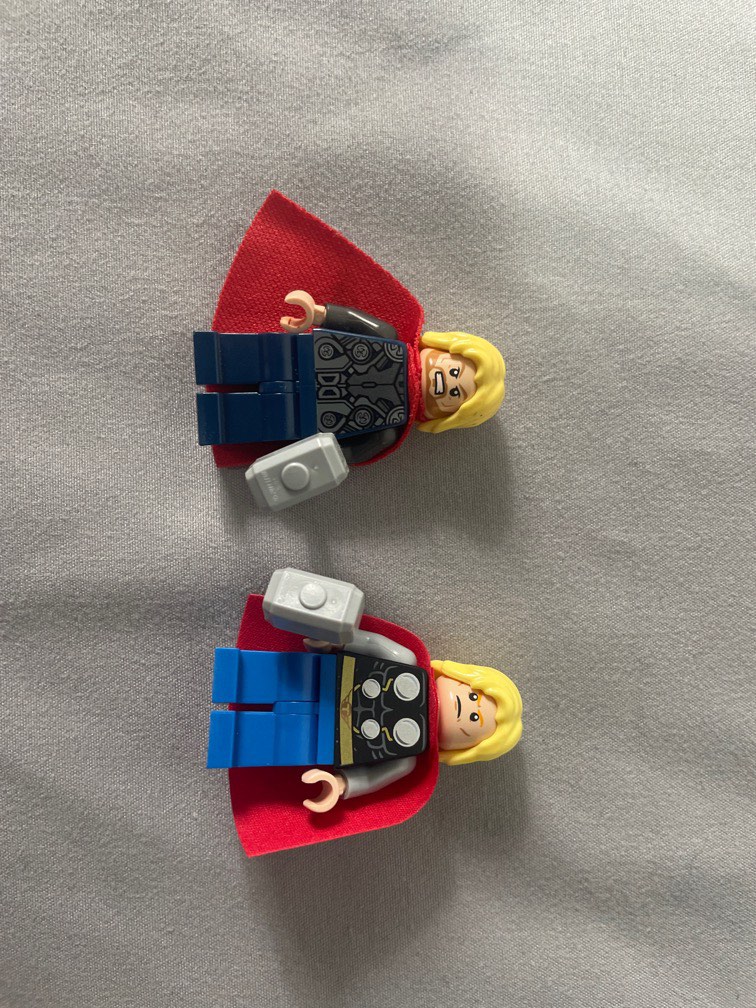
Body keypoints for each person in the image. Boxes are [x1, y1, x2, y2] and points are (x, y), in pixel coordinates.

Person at [207, 629, 522, 814]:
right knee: (262, 674)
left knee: (260, 742)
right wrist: (337, 641)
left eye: (475, 720)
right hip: (318, 677)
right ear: (460, 676)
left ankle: (226, 741)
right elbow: (371, 644)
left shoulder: (405, 761)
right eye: (473, 696)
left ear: (461, 749)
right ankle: (232, 674)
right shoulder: (405, 661)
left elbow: (372, 778)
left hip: (316, 740)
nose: (468, 709)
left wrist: (340, 785)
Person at [194, 288, 505, 464]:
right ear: (443, 347)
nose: (447, 383)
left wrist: (309, 459)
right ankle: (214, 357)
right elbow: (355, 322)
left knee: (246, 420)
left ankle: (217, 421)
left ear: (445, 417)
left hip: (298, 417)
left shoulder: (386, 432)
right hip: (299, 356)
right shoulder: (387, 337)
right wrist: (317, 314)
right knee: (250, 354)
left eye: (456, 394)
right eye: (454, 371)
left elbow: (346, 454)